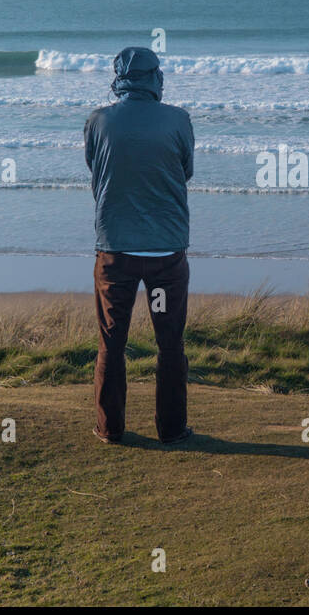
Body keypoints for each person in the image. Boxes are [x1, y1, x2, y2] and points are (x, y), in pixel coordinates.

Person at [83, 47, 195, 445]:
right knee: (169, 342)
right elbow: (185, 171)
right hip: (165, 253)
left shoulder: (99, 121)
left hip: (115, 252)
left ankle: (110, 428)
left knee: (112, 342)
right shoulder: (178, 120)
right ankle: (172, 429)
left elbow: (97, 172)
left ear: (119, 79)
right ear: (154, 78)